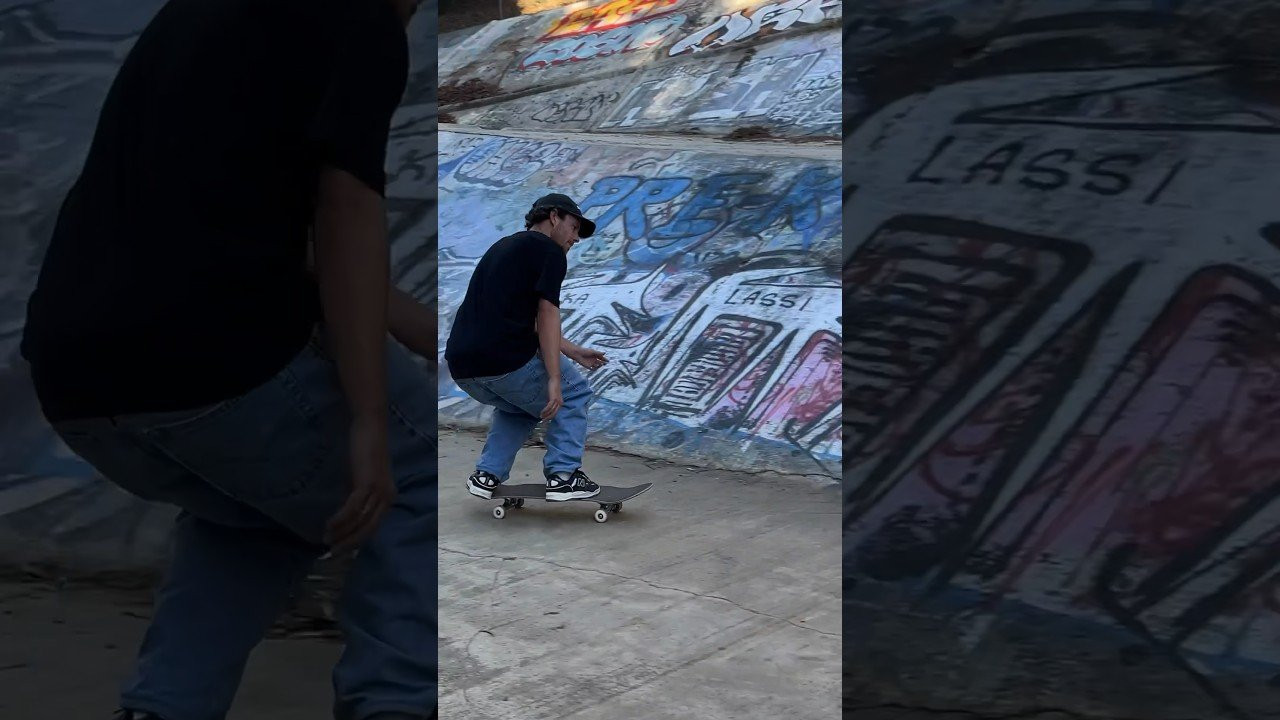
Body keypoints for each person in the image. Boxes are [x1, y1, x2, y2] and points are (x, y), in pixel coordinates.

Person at [19, 0, 437, 718]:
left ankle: (165, 707)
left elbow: (306, 246)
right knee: (424, 472)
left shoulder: (203, 16)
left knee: (262, 511)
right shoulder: (361, 20)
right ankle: (397, 704)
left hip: (76, 379)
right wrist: (369, 419)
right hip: (219, 361)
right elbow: (344, 215)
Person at [444, 193, 609, 502]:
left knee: (519, 407)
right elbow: (546, 313)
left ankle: (487, 474)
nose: (575, 238)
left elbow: (522, 316)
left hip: (463, 366)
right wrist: (555, 378)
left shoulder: (503, 247)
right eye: (574, 228)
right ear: (554, 217)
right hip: (503, 361)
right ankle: (564, 476)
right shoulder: (549, 251)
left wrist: (571, 350)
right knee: (573, 395)